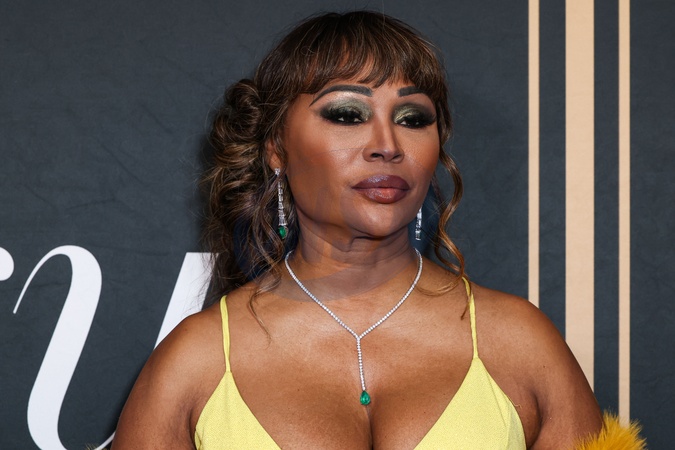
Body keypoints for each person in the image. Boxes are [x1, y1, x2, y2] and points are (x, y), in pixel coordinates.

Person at [112, 11, 643, 449]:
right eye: (347, 114)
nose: (387, 145)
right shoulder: (195, 363)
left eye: (413, 118)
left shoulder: (521, 343)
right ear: (276, 148)